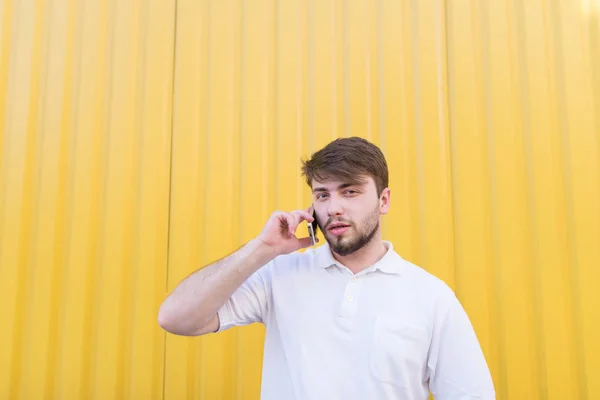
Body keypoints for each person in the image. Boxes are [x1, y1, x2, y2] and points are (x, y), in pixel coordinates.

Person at [158, 137, 496, 399]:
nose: (333, 207)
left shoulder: (430, 297)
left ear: (384, 200)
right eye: (322, 195)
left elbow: (472, 394)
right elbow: (175, 318)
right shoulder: (280, 275)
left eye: (349, 192)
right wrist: (262, 249)